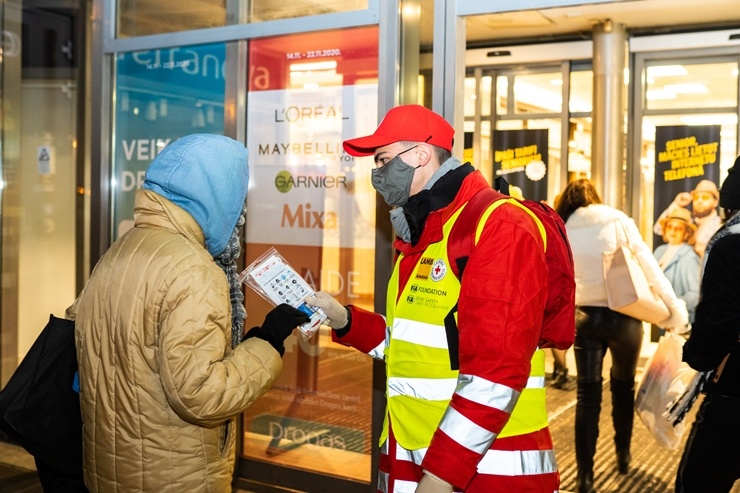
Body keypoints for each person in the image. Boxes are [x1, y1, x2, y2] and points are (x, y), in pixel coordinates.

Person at [307, 104, 561, 492]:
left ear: (421, 155)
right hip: (416, 455)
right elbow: (414, 345)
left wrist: (441, 477)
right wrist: (343, 319)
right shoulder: (426, 230)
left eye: (383, 159)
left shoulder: (497, 225)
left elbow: (495, 372)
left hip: (486, 471)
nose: (377, 174)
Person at [67, 134, 310, 492]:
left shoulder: (120, 251)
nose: (241, 215)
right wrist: (267, 342)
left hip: (111, 469)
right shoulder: (193, 269)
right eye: (237, 199)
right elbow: (200, 394)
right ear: (216, 197)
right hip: (174, 474)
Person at [555, 178, 688, 493]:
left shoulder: (563, 227)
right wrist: (675, 311)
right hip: (626, 317)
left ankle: (585, 477)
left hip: (584, 318)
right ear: (596, 199)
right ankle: (623, 454)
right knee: (623, 387)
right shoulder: (617, 221)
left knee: (587, 397)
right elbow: (650, 268)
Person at [676, 156, 740, 493]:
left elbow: (720, 321)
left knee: (699, 481)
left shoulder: (731, 243)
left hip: (734, 392)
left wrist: (697, 355)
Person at [653, 207, 701, 327]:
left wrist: (673, 306)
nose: (672, 231)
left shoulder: (689, 256)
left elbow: (695, 294)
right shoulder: (659, 251)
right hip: (659, 316)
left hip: (680, 322)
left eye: (678, 228)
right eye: (670, 227)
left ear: (686, 232)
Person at [653, 179, 721, 258]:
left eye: (705, 197)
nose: (699, 200)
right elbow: (658, 229)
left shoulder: (720, 226)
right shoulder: (689, 221)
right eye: (696, 197)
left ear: (715, 202)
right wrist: (676, 204)